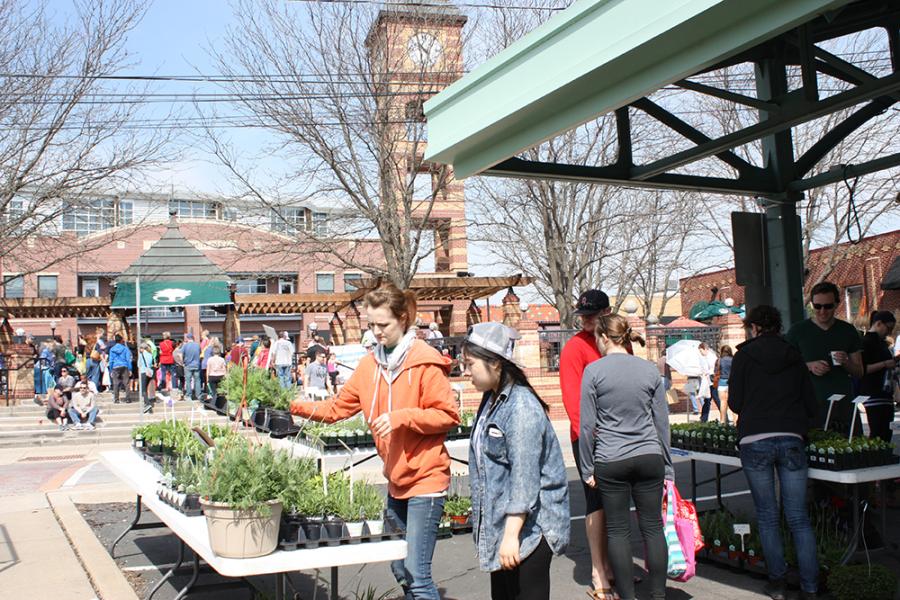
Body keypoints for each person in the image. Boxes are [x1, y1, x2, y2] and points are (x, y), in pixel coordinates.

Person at [290, 284, 459, 600]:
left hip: (427, 480)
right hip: (396, 479)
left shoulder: (424, 361)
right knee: (399, 568)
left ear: (404, 319)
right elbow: (337, 408)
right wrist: (293, 406)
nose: (377, 332)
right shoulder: (369, 366)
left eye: (384, 325)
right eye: (372, 325)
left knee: (417, 575)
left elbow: (448, 415)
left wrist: (401, 417)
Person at [462, 322, 570, 600]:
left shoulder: (521, 407)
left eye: (470, 364)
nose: (466, 372)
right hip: (506, 527)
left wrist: (511, 535)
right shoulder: (491, 400)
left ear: (495, 364)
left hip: (529, 531)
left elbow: (525, 480)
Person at [579, 314, 673, 600]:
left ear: (604, 337)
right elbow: (662, 422)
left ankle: (627, 597)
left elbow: (587, 426)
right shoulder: (648, 371)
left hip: (611, 458)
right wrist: (667, 467)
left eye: (596, 336)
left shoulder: (594, 372)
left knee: (618, 531)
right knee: (653, 527)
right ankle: (658, 595)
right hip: (648, 455)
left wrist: (587, 468)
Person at [729, 305, 819, 600]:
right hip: (792, 436)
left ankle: (777, 583)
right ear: (778, 326)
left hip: (755, 438)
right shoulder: (794, 355)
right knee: (798, 516)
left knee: (767, 515)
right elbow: (810, 402)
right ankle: (810, 587)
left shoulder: (743, 356)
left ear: (753, 327)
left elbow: (735, 403)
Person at [558, 288, 614, 596]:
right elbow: (573, 402)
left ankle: (612, 566)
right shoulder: (574, 348)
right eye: (583, 316)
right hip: (589, 438)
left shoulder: (618, 343)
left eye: (591, 316)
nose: (585, 321)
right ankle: (597, 569)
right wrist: (589, 443)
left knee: (615, 504)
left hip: (620, 440)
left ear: (607, 313)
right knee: (596, 503)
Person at [785, 281, 863, 435]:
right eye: (817, 306)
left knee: (848, 452)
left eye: (828, 306)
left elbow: (859, 372)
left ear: (836, 304)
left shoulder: (848, 331)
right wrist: (809, 366)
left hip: (843, 404)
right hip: (810, 404)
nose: (822, 311)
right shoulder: (798, 331)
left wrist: (846, 362)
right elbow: (785, 367)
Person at [859, 311, 897, 442]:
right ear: (879, 324)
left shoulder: (882, 343)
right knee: (877, 429)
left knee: (886, 429)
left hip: (885, 392)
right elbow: (862, 369)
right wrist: (885, 364)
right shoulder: (865, 342)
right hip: (872, 391)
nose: (890, 332)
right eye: (889, 328)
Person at [108, 334, 133, 404]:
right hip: (124, 366)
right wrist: (130, 369)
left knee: (116, 383)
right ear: (121, 340)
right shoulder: (125, 349)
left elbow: (111, 360)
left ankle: (116, 399)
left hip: (115, 366)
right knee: (126, 383)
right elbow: (128, 359)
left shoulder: (112, 349)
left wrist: (110, 370)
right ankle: (127, 398)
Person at [697, 342, 717, 422]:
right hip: (708, 382)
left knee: (716, 400)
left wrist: (707, 372)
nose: (700, 353)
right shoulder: (704, 357)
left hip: (712, 382)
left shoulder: (711, 357)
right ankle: (704, 418)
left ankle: (724, 417)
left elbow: (714, 369)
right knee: (707, 401)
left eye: (701, 351)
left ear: (705, 349)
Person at [714, 346, 734, 424]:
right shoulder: (733, 360)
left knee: (722, 402)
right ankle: (735, 422)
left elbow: (715, 371)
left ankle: (723, 421)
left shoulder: (719, 360)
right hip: (731, 382)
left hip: (722, 382)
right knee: (732, 402)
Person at [182, 333, 202, 401]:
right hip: (196, 365)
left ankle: (189, 395)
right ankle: (198, 395)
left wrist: (182, 362)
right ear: (193, 338)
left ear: (187, 338)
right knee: (197, 380)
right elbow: (200, 353)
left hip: (188, 365)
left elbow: (180, 354)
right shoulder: (197, 345)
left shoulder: (185, 346)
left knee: (188, 381)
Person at [138, 343, 155, 412]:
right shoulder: (150, 354)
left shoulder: (141, 355)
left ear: (142, 348)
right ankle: (146, 404)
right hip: (150, 373)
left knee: (143, 390)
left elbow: (139, 364)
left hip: (143, 372)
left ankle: (147, 404)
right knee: (146, 388)